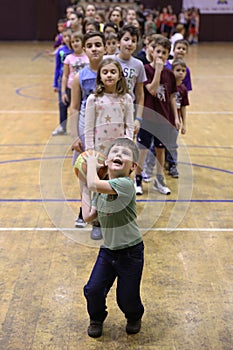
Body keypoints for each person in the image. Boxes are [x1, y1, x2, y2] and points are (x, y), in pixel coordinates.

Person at [80, 137, 144, 338]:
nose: (118, 155)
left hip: (131, 252)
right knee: (93, 289)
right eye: (115, 152)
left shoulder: (126, 185)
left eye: (125, 154)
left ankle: (134, 316)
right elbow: (88, 216)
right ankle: (96, 318)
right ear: (107, 161)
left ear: (132, 166)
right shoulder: (101, 189)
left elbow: (93, 183)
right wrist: (82, 184)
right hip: (108, 251)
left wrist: (90, 163)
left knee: (126, 299)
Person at [70, 31, 106, 237]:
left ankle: (101, 216)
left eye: (98, 44)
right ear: (84, 50)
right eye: (90, 45)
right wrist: (74, 136)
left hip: (107, 128)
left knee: (103, 172)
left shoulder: (111, 71)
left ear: (105, 47)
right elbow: (74, 108)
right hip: (86, 127)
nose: (94, 48)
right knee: (84, 172)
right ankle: (85, 211)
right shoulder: (80, 76)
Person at [135, 36, 180, 195]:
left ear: (168, 54)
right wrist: (158, 71)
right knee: (142, 149)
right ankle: (138, 179)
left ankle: (159, 181)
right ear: (152, 51)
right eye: (158, 51)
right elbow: (152, 90)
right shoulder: (146, 70)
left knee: (161, 150)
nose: (160, 55)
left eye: (164, 53)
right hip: (148, 117)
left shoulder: (170, 74)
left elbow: (173, 96)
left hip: (163, 117)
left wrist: (176, 117)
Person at [104, 24, 147, 136]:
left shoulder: (138, 65)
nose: (129, 43)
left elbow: (140, 94)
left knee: (125, 147)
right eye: (126, 39)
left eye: (133, 41)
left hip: (127, 111)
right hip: (106, 109)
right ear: (118, 42)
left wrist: (138, 118)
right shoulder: (106, 60)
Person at [52, 27, 73, 136]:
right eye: (64, 36)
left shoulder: (76, 51)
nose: (67, 38)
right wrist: (55, 83)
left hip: (74, 82)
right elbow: (57, 68)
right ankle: (62, 127)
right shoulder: (60, 51)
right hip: (62, 81)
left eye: (69, 36)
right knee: (62, 104)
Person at [61, 32, 89, 108]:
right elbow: (65, 76)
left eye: (77, 41)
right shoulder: (68, 58)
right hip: (71, 88)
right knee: (74, 110)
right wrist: (63, 92)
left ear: (82, 42)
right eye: (72, 42)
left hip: (85, 88)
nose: (75, 44)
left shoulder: (88, 56)